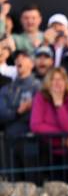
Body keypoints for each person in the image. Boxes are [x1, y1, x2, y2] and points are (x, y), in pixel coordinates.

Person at [30, 67, 68, 183]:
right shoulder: (41, 97)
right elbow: (36, 125)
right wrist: (62, 136)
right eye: (53, 79)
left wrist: (59, 105)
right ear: (48, 82)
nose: (57, 83)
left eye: (61, 79)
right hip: (47, 149)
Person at [0, 50, 40, 181]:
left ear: (32, 63)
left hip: (31, 141)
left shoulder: (39, 86)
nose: (19, 60)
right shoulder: (7, 88)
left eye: (24, 57)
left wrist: (15, 112)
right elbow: (2, 113)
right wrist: (19, 111)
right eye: (17, 58)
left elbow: (39, 113)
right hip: (10, 140)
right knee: (12, 182)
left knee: (31, 181)